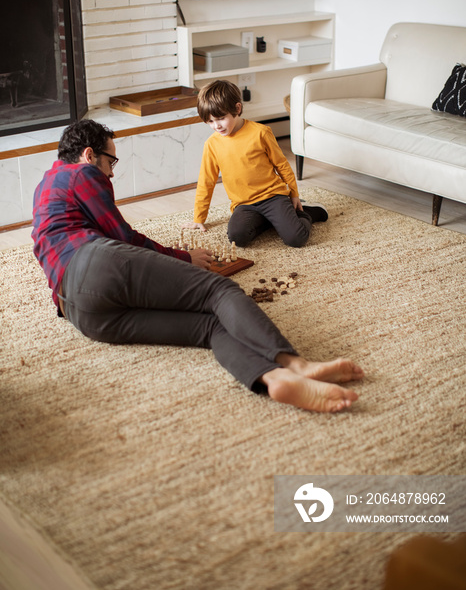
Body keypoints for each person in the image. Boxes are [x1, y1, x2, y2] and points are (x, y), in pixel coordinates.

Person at [32, 119, 363, 413]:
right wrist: (183, 257)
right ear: (90, 155)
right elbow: (122, 237)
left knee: (208, 328)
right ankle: (296, 364)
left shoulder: (45, 186)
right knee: (217, 291)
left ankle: (274, 378)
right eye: (110, 161)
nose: (112, 172)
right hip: (94, 265)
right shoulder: (82, 172)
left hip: (82, 314)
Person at [183, 79, 328, 247]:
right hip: (244, 204)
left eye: (221, 118)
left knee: (296, 238)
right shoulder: (212, 144)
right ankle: (275, 220)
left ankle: (305, 213)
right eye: (210, 121)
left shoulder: (261, 132)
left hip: (273, 197)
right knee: (237, 238)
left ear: (237, 109)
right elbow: (206, 181)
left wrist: (294, 193)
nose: (216, 126)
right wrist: (199, 218)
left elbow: (281, 165)